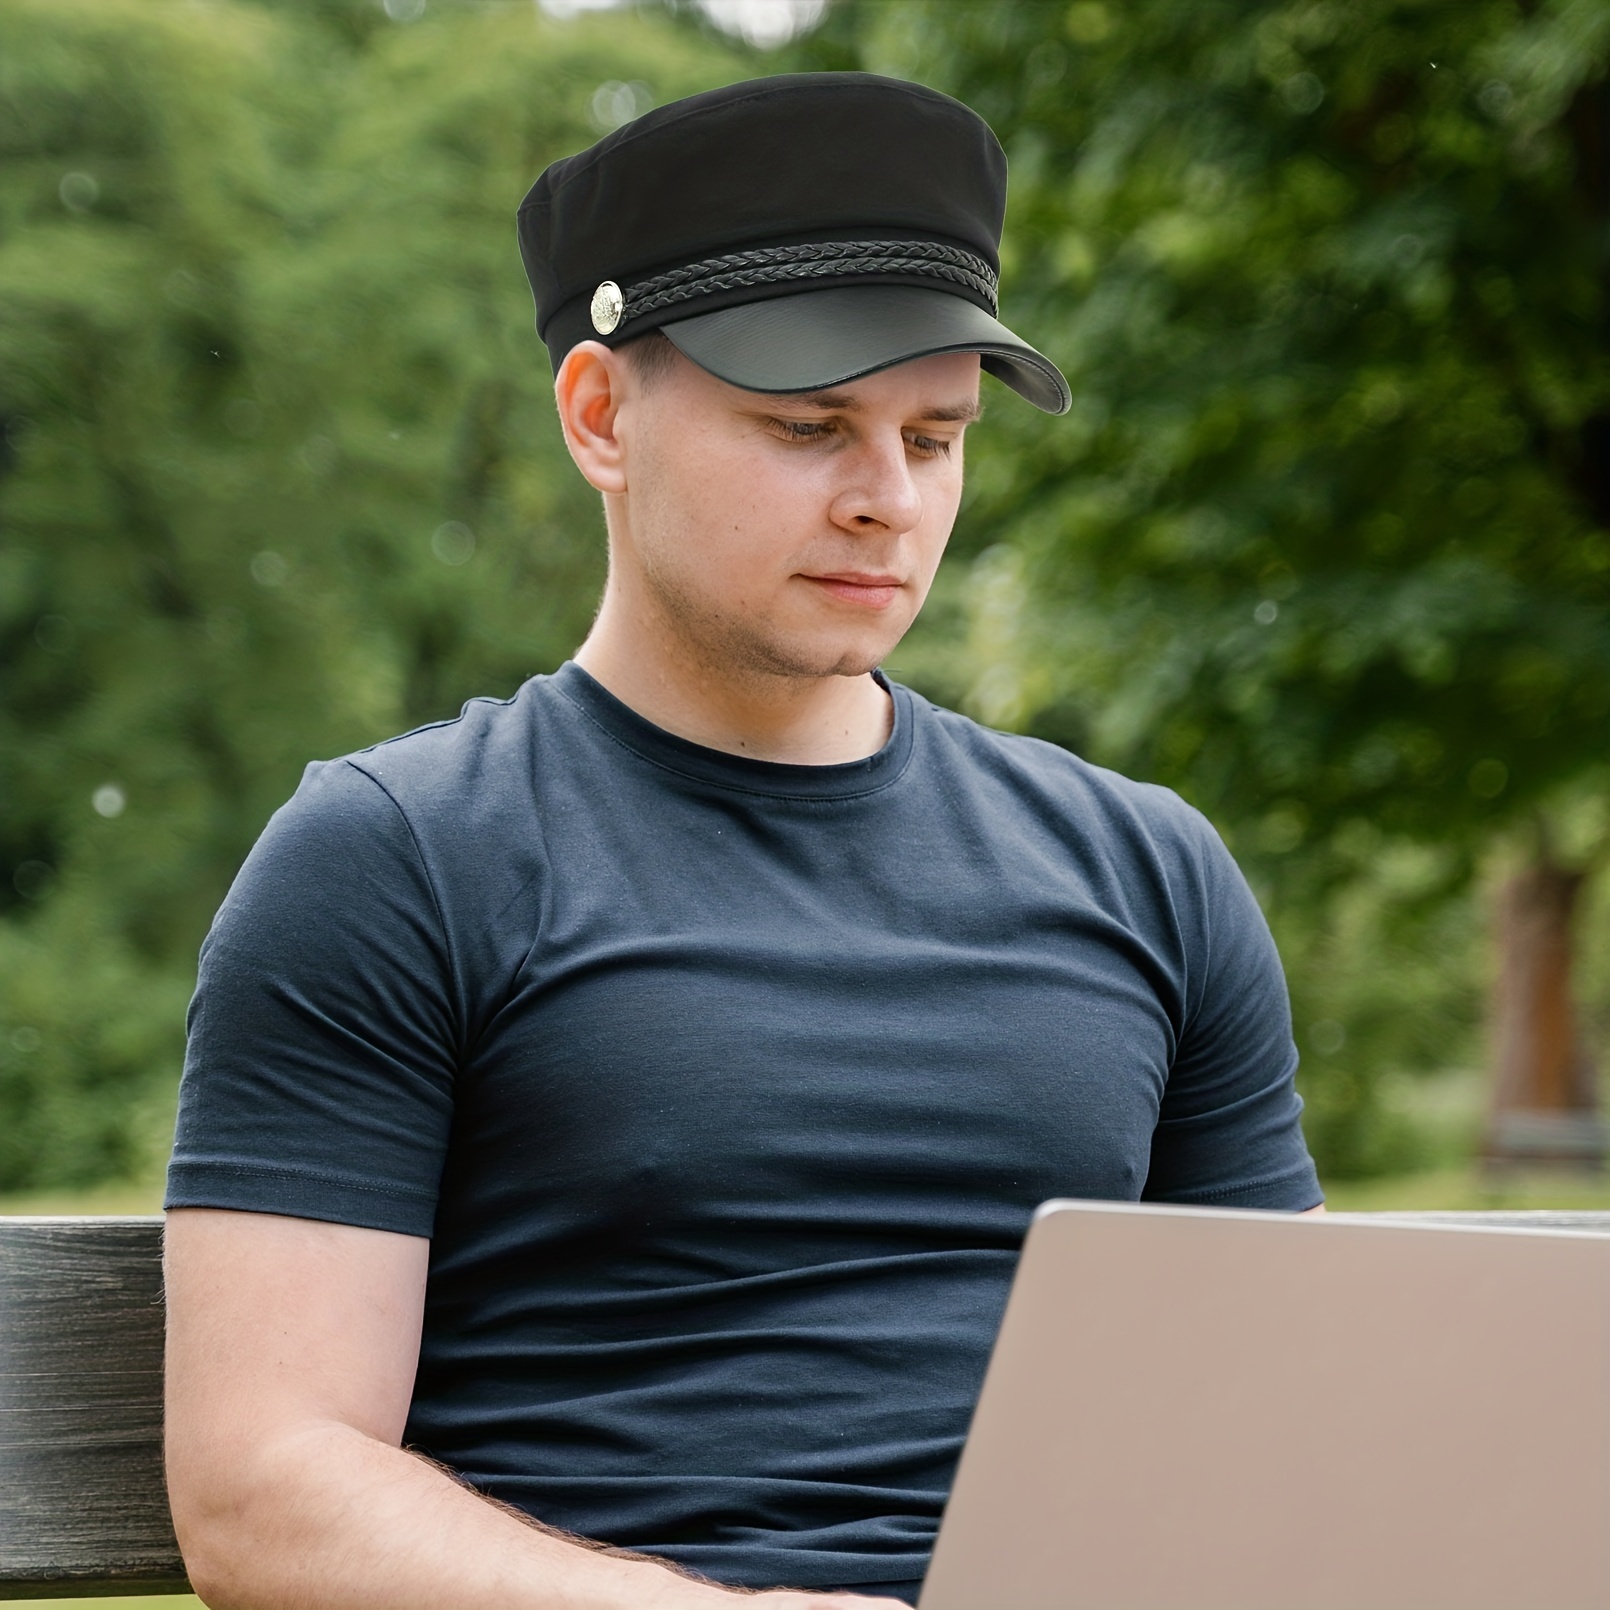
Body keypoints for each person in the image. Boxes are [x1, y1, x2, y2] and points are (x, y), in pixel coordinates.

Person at [162, 72, 1322, 1610]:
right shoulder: (397, 860)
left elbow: (1298, 1426)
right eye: (808, 426)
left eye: (935, 434)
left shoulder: (1146, 871)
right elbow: (262, 1489)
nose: (886, 500)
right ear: (598, 416)